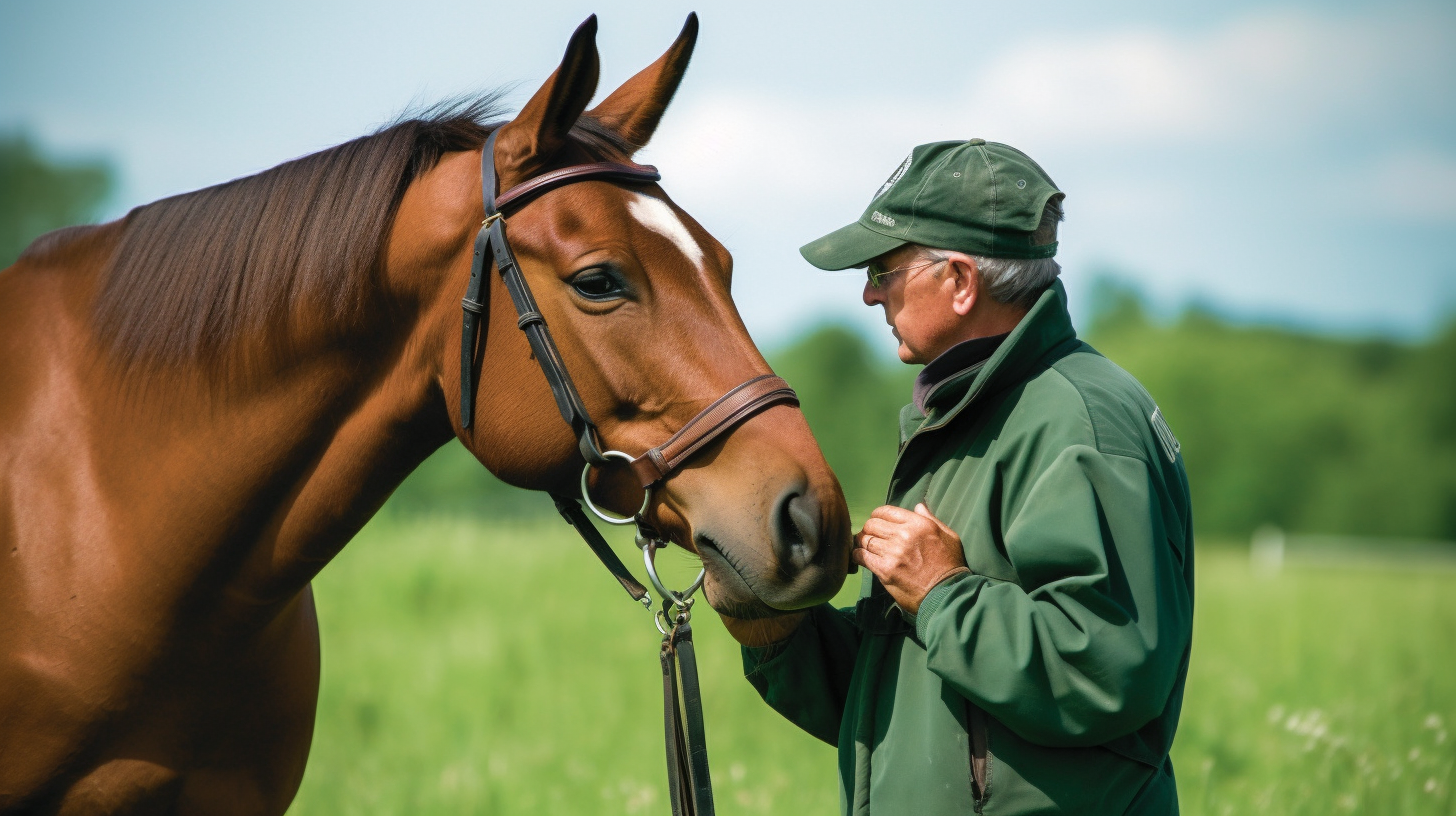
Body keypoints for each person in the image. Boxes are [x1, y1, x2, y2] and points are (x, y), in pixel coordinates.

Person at [719, 139, 1195, 815]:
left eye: (884, 270)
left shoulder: (1077, 421)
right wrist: (768, 623)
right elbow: (907, 692)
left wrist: (943, 592)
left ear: (962, 281)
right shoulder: (974, 414)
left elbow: (1105, 669)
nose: (867, 293)